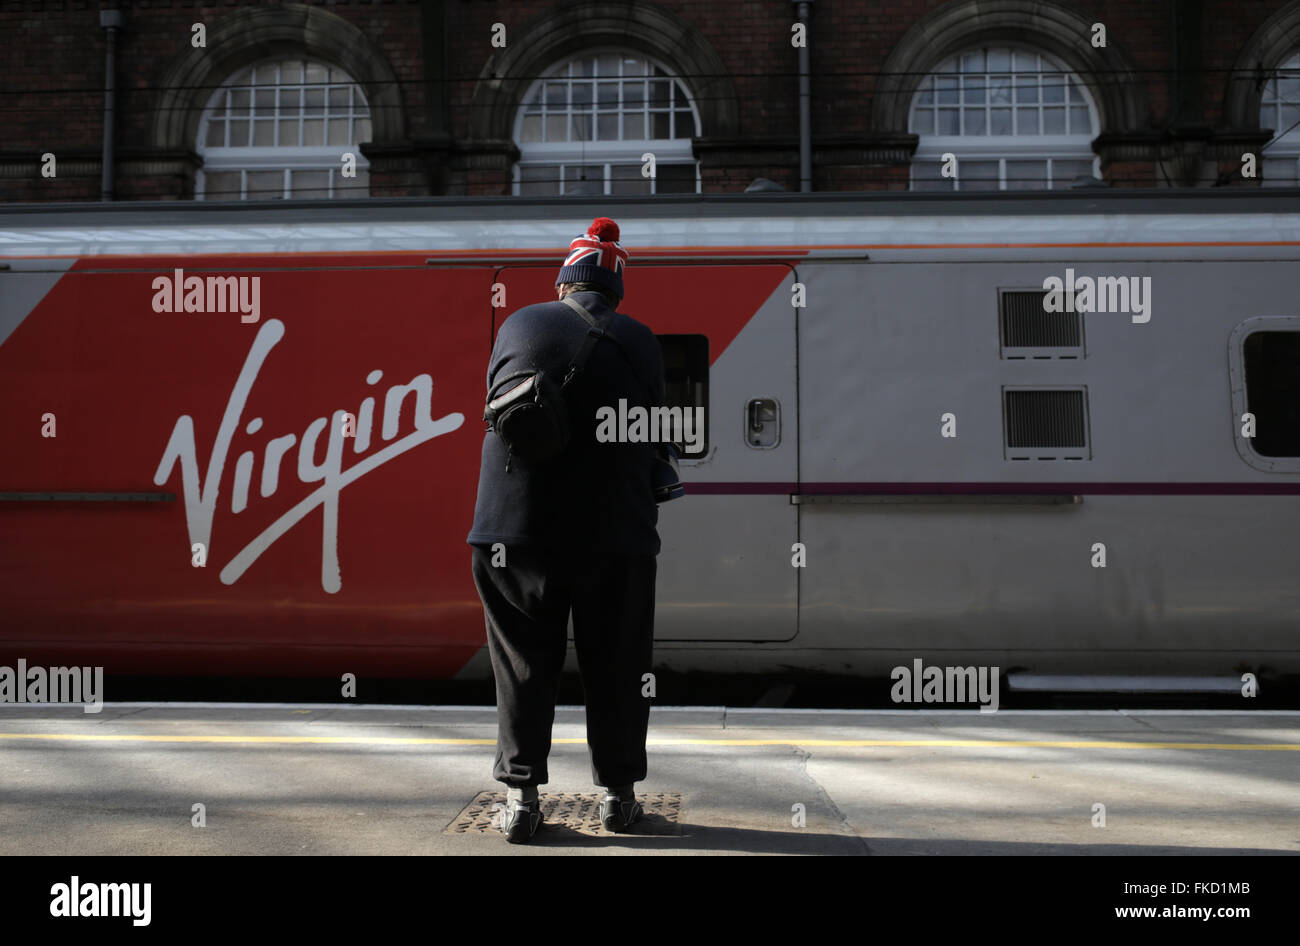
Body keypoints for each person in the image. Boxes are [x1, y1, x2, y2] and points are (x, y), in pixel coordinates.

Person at [466, 216, 664, 844]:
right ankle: (619, 798)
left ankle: (522, 801)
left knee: (524, 663)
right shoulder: (640, 341)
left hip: (513, 530)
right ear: (615, 293)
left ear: (563, 284)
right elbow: (652, 437)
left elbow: (497, 409)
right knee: (617, 662)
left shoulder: (518, 324)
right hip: (614, 535)